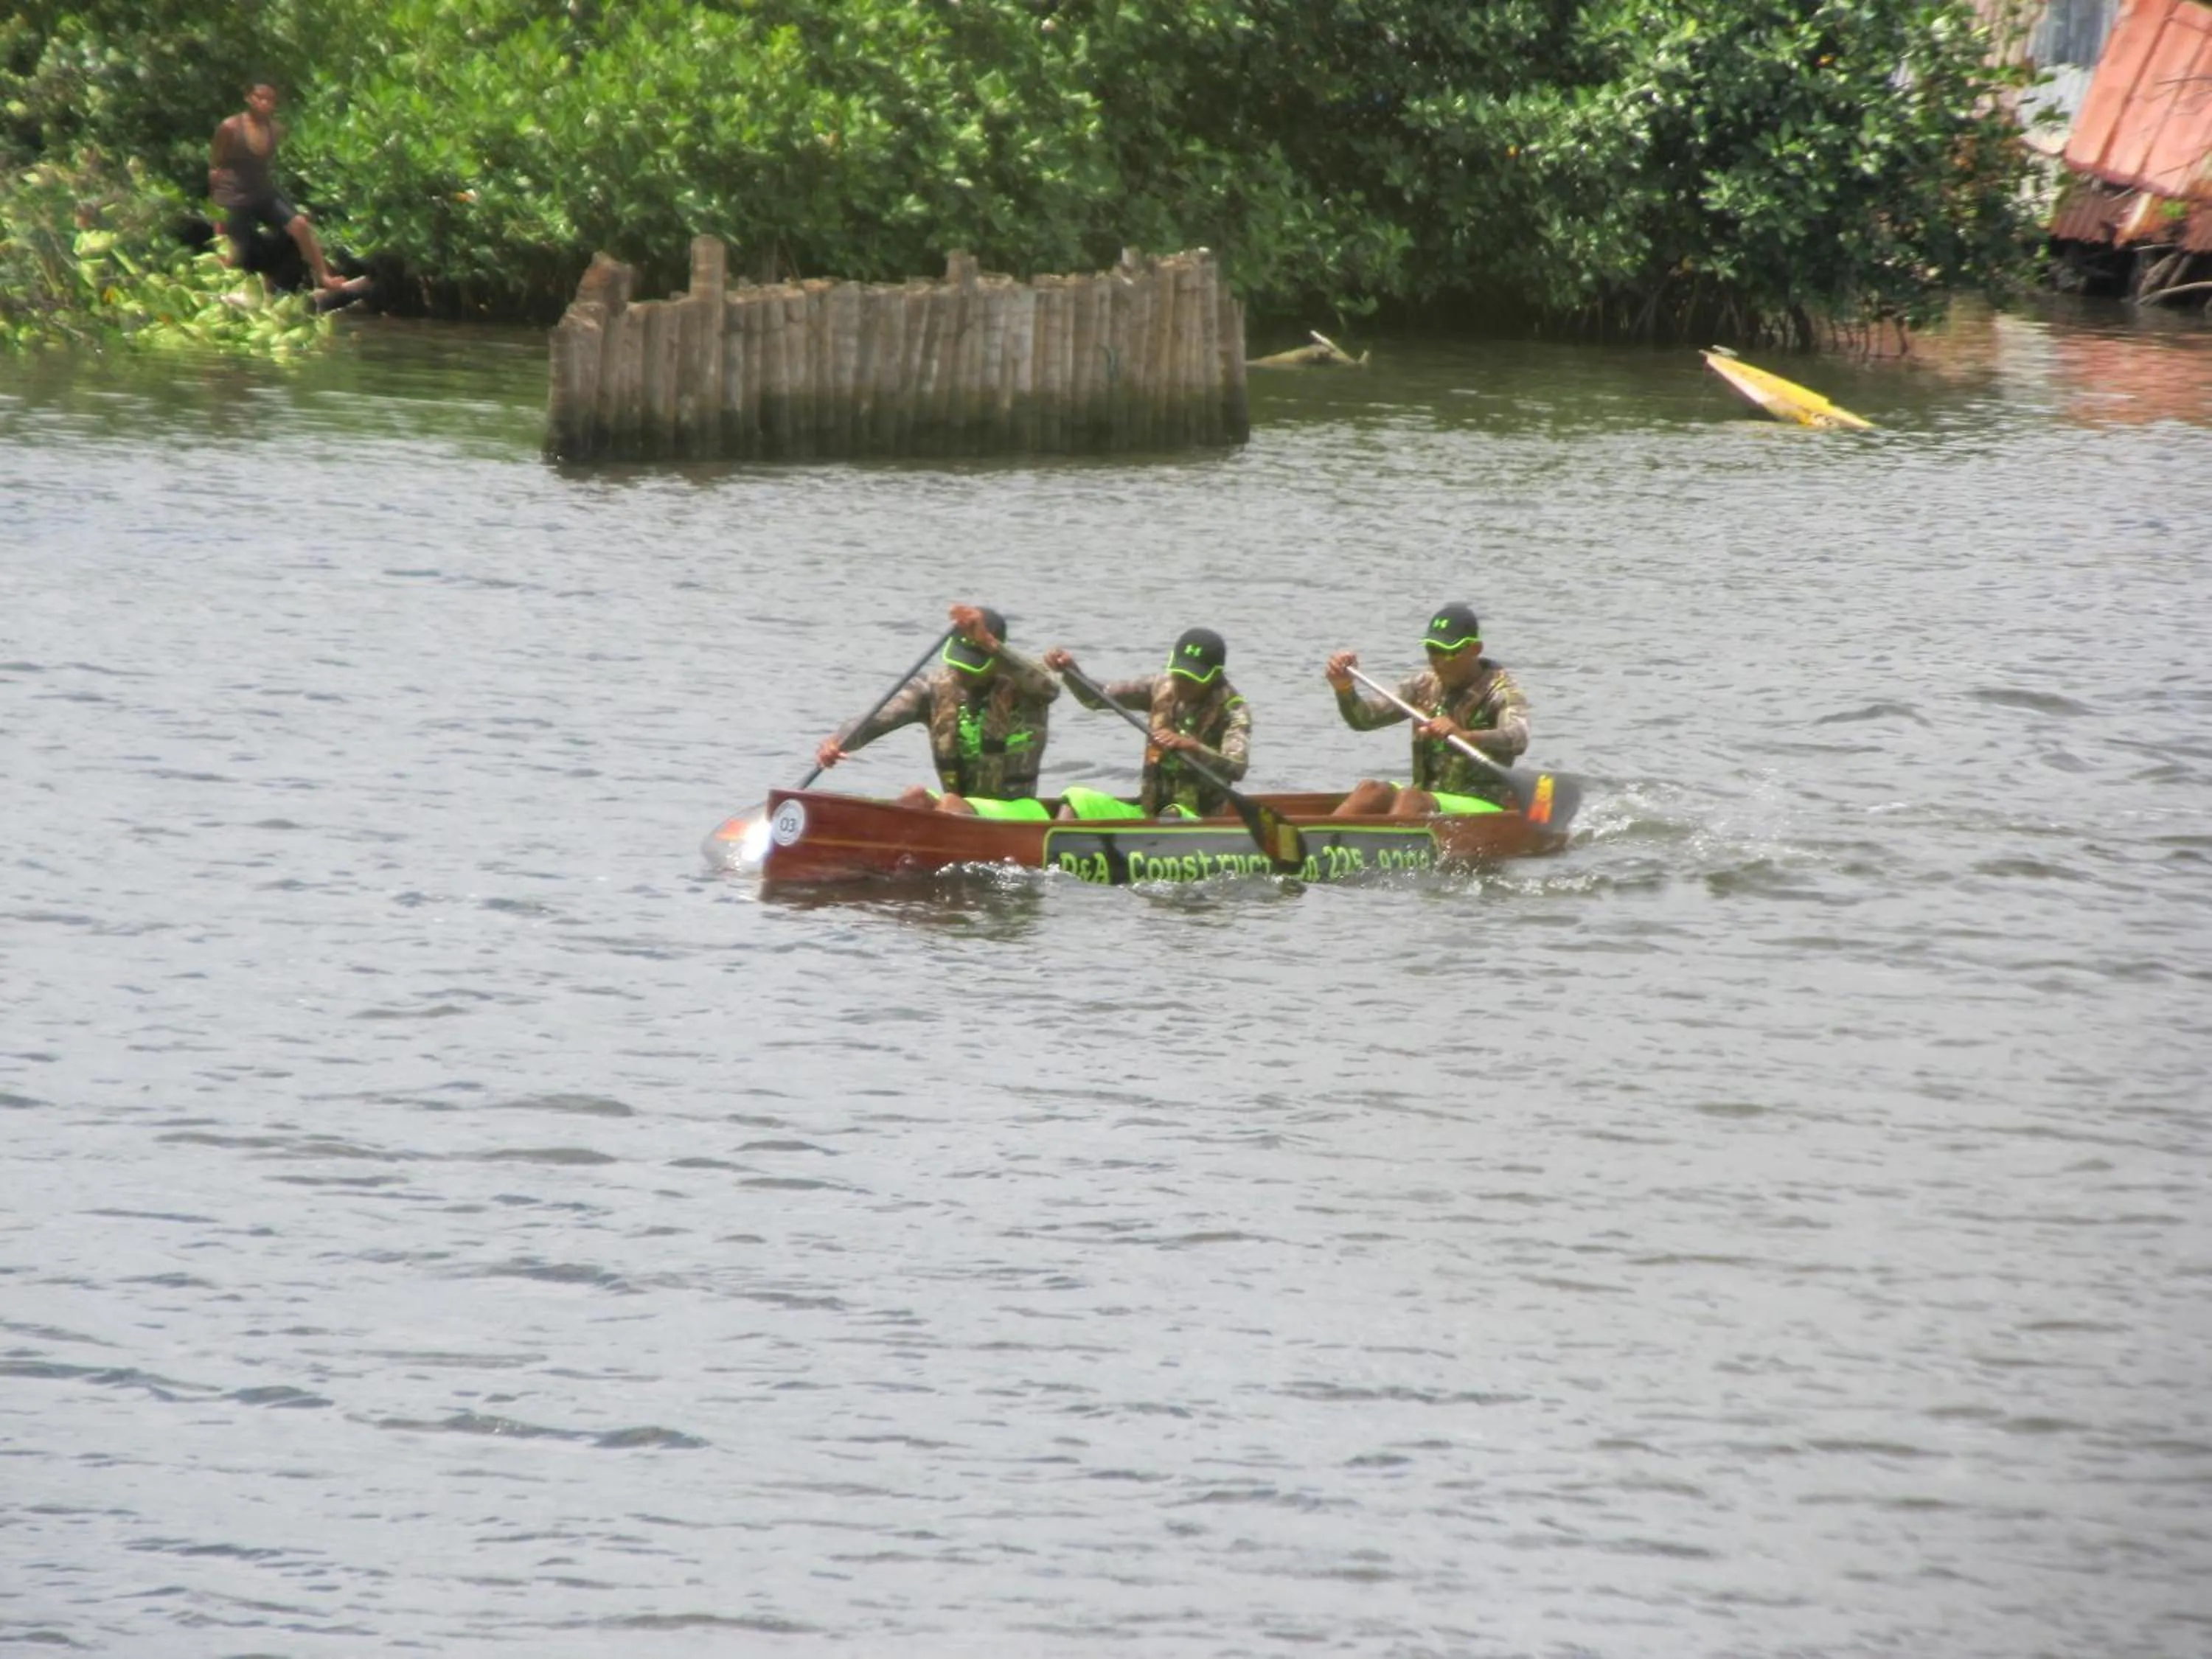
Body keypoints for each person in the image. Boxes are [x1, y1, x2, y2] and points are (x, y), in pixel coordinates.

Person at [813, 604, 1060, 818]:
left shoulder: (1025, 686)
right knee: (915, 797)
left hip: (1017, 810)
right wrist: (838, 742)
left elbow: (1050, 689)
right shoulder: (934, 688)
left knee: (950, 804)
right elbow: (879, 718)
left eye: (973, 667)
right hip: (957, 808)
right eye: (957, 663)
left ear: (995, 658)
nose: (961, 673)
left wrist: (989, 643)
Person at [1324, 602, 1529, 816]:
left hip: (1480, 804)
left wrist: (1466, 736)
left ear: (1475, 649)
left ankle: (1392, 844)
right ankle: (1321, 841)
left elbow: (1518, 737)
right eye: (1432, 650)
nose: (1437, 661)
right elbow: (1364, 720)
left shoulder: (1502, 692)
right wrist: (1344, 689)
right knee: (1371, 790)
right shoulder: (1423, 686)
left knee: (1411, 798)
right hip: (1426, 798)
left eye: (1447, 652)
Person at [1042, 627, 1251, 820]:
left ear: (1215, 676)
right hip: (1148, 812)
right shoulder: (1160, 686)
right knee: (1076, 798)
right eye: (1179, 674)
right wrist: (1072, 671)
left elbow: (1237, 767)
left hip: (1197, 819)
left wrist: (1193, 747)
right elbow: (1096, 698)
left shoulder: (1233, 711)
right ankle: (1051, 855)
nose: (1182, 684)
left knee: (1172, 815)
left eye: (1192, 679)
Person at [209, 83, 352, 293]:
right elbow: (215, 166)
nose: (264, 103)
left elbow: (292, 156)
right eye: (260, 98)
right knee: (233, 251)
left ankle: (324, 277)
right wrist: (217, 210)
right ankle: (221, 287)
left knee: (300, 225)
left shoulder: (276, 130)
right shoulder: (230, 127)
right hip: (233, 194)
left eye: (270, 100)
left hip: (262, 192)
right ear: (248, 98)